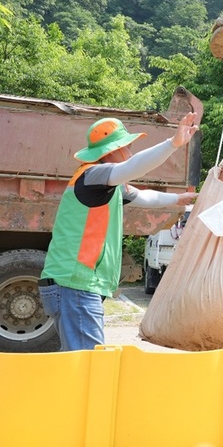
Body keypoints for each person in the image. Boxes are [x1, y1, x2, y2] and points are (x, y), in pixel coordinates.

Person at [39, 114, 199, 351]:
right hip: (76, 284)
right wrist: (173, 143)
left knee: (80, 362)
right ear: (110, 152)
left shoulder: (106, 185)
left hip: (76, 284)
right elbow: (133, 167)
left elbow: (144, 197)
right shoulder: (92, 175)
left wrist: (179, 199)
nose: (131, 152)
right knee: (89, 363)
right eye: (127, 147)